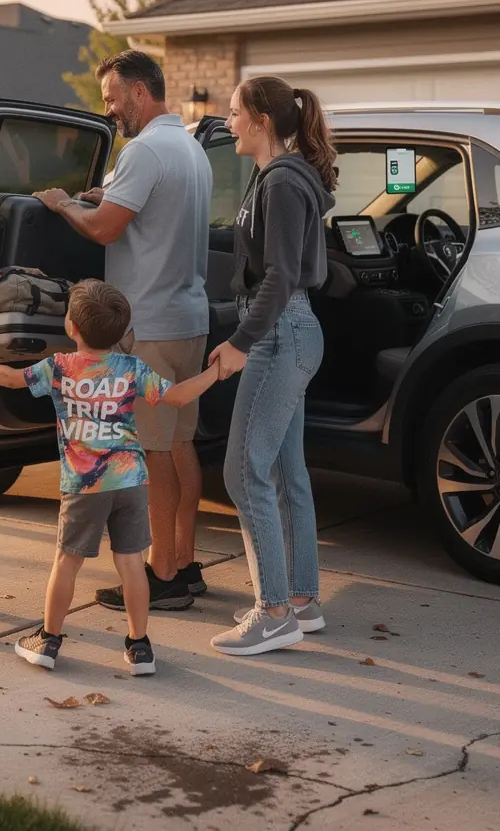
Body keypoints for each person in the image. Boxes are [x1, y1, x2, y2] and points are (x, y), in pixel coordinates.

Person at [0, 280, 219, 675]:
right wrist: (215, 371)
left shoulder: (59, 367)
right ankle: (140, 646)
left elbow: (9, 379)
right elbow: (177, 396)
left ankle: (48, 639)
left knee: (67, 562)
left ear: (71, 327)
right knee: (130, 563)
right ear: (123, 331)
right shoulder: (132, 368)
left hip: (84, 485)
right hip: (129, 482)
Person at [33, 50, 213, 612]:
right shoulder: (191, 148)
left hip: (150, 325)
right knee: (180, 444)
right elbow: (140, 211)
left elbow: (108, 230)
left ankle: (161, 575)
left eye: (112, 98)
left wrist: (65, 205)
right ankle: (184, 562)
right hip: (190, 318)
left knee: (153, 453)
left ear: (139, 91)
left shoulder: (144, 150)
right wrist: (103, 198)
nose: (110, 110)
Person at [207, 77, 337, 657]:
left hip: (279, 334)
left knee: (242, 473)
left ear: (261, 119)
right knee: (286, 474)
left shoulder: (282, 182)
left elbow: (281, 276)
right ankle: (301, 600)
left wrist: (240, 341)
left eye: (234, 113)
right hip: (294, 331)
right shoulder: (283, 176)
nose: (227, 121)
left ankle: (274, 613)